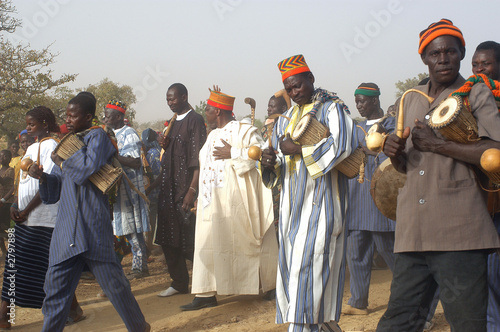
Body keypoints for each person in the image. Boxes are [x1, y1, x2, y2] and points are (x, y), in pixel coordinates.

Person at [377, 19, 500, 331]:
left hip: (459, 233)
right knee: (398, 322)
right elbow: (408, 166)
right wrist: (396, 153)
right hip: (412, 234)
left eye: (450, 52)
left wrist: (440, 145)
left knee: (467, 324)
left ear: (461, 54)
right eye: (435, 54)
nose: (442, 59)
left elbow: (496, 153)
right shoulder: (410, 98)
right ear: (424, 58)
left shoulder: (475, 93)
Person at [29, 94, 150, 332]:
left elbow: (85, 170)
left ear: (88, 116)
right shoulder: (68, 142)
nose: (68, 119)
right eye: (67, 115)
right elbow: (55, 191)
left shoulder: (98, 137)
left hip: (92, 226)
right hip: (66, 231)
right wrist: (43, 176)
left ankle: (139, 327)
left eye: (73, 115)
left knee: (116, 287)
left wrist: (62, 161)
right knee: (55, 291)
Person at [261, 54, 357, 331]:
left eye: (298, 85)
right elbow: (281, 163)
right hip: (292, 212)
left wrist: (300, 150)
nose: (294, 92)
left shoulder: (332, 109)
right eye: (289, 88)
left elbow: (343, 147)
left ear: (310, 79)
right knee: (300, 281)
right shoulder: (285, 118)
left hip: (322, 210)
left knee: (308, 279)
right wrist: (269, 162)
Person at [180, 89, 277, 311]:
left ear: (218, 111)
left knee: (251, 241)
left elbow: (262, 156)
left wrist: (233, 152)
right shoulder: (212, 134)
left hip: (238, 201)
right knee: (209, 244)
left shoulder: (245, 131)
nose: (205, 113)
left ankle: (270, 286)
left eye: (208, 109)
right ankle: (205, 293)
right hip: (211, 203)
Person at [0, 106, 84, 330]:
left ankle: (5, 316)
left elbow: (48, 182)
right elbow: (24, 183)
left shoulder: (52, 146)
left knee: (45, 268)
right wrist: (16, 205)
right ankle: (73, 310)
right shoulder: (31, 148)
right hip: (24, 217)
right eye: (27, 124)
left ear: (45, 124)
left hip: (44, 219)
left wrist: (26, 210)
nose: (27, 127)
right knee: (21, 266)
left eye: (32, 124)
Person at [344, 83, 396, 316]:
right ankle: (358, 302)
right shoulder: (353, 128)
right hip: (356, 197)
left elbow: (396, 154)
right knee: (355, 252)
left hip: (381, 199)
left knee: (390, 251)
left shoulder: (390, 124)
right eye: (356, 102)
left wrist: (373, 151)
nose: (359, 105)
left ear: (375, 100)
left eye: (363, 101)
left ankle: (407, 301)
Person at [152, 83, 206, 298]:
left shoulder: (195, 120)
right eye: (167, 99)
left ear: (184, 96)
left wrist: (191, 190)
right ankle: (179, 283)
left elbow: (196, 158)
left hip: (184, 188)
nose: (170, 103)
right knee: (167, 236)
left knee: (189, 238)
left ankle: (210, 280)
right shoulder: (172, 123)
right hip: (168, 188)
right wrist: (165, 143)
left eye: (173, 98)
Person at [471, 40, 500, 332]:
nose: (480, 71)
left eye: (487, 64)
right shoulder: (465, 101)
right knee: (488, 274)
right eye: (475, 65)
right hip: (482, 202)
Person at [104, 100, 150, 279]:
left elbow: (135, 161)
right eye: (105, 115)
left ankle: (140, 266)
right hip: (117, 190)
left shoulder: (128, 133)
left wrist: (114, 156)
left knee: (135, 227)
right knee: (127, 228)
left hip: (131, 189)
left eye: (108, 115)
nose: (105, 118)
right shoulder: (108, 134)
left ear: (119, 117)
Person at [141, 128, 162, 256]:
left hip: (155, 192)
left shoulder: (153, 154)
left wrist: (149, 188)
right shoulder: (154, 152)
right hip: (155, 191)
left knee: (153, 218)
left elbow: (159, 175)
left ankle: (154, 245)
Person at [0, 150, 14, 256]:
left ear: (10, 158)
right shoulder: (0, 170)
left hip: (7, 202)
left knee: (7, 228)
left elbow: (7, 184)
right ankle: (4, 251)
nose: (2, 158)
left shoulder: (11, 170)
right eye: (0, 156)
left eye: (5, 156)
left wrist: (3, 200)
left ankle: (11, 250)